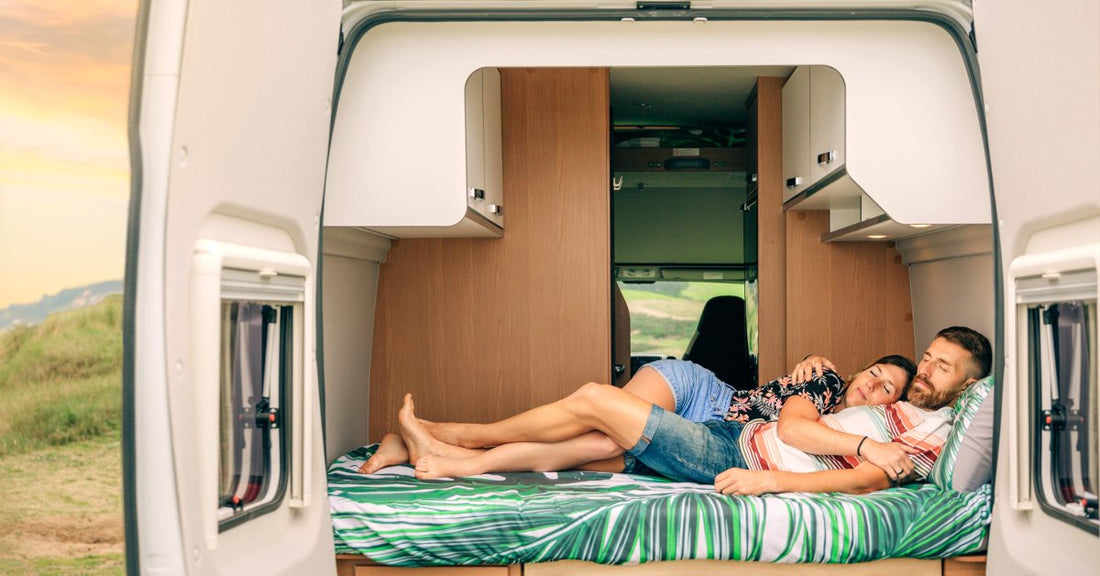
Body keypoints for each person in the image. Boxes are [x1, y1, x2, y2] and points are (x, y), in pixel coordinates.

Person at [397, 326, 991, 496]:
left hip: (729, 442)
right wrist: (859, 439)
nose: (921, 372)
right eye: (926, 359)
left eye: (942, 368)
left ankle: (445, 451)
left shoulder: (929, 429)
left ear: (967, 387)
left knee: (596, 424)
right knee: (595, 426)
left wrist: (770, 481)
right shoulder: (843, 391)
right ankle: (446, 444)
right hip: (719, 413)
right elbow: (801, 426)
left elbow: (868, 480)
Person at [361, 354, 914, 476]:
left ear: (893, 405)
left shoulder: (855, 423)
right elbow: (794, 428)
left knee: (602, 447)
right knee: (594, 412)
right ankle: (445, 432)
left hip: (711, 428)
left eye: (887, 388)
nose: (873, 384)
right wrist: (867, 448)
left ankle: (418, 447)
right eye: (874, 371)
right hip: (701, 394)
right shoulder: (824, 382)